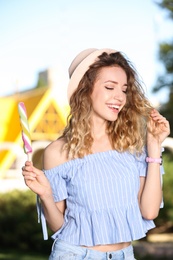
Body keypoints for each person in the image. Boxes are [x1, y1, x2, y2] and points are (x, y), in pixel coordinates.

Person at [22, 48, 170, 260]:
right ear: (85, 89)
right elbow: (60, 228)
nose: (119, 97)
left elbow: (149, 212)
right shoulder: (58, 152)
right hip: (75, 254)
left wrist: (154, 147)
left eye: (124, 89)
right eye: (110, 87)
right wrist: (45, 194)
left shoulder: (132, 145)